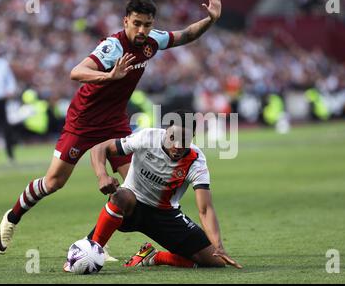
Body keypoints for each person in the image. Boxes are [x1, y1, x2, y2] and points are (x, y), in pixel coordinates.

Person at [0, 0, 222, 255]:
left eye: (147, 25)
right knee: (54, 182)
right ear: (125, 20)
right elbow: (76, 72)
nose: (141, 30)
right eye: (136, 23)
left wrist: (211, 19)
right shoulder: (112, 47)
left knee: (136, 191)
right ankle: (13, 217)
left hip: (114, 122)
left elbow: (185, 35)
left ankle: (99, 245)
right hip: (83, 121)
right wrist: (108, 76)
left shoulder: (152, 41)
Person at [64, 111, 241, 270]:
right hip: (130, 207)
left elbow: (205, 209)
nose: (178, 145)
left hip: (165, 216)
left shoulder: (196, 161)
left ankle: (155, 257)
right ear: (166, 133)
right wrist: (102, 175)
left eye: (185, 140)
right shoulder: (148, 137)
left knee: (216, 261)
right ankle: (91, 250)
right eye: (173, 138)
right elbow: (100, 148)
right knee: (121, 196)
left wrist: (218, 246)